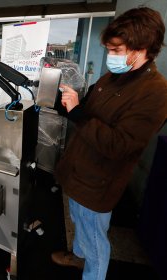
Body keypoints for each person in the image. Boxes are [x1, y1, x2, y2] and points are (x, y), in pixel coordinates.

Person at [51, 7, 167, 280]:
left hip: (99, 182)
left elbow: (120, 145)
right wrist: (65, 105)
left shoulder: (156, 92)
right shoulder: (112, 77)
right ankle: (78, 258)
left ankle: (92, 271)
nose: (110, 56)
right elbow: (89, 112)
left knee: (95, 240)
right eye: (109, 49)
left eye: (117, 50)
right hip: (80, 170)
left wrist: (77, 112)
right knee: (79, 223)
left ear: (142, 49)